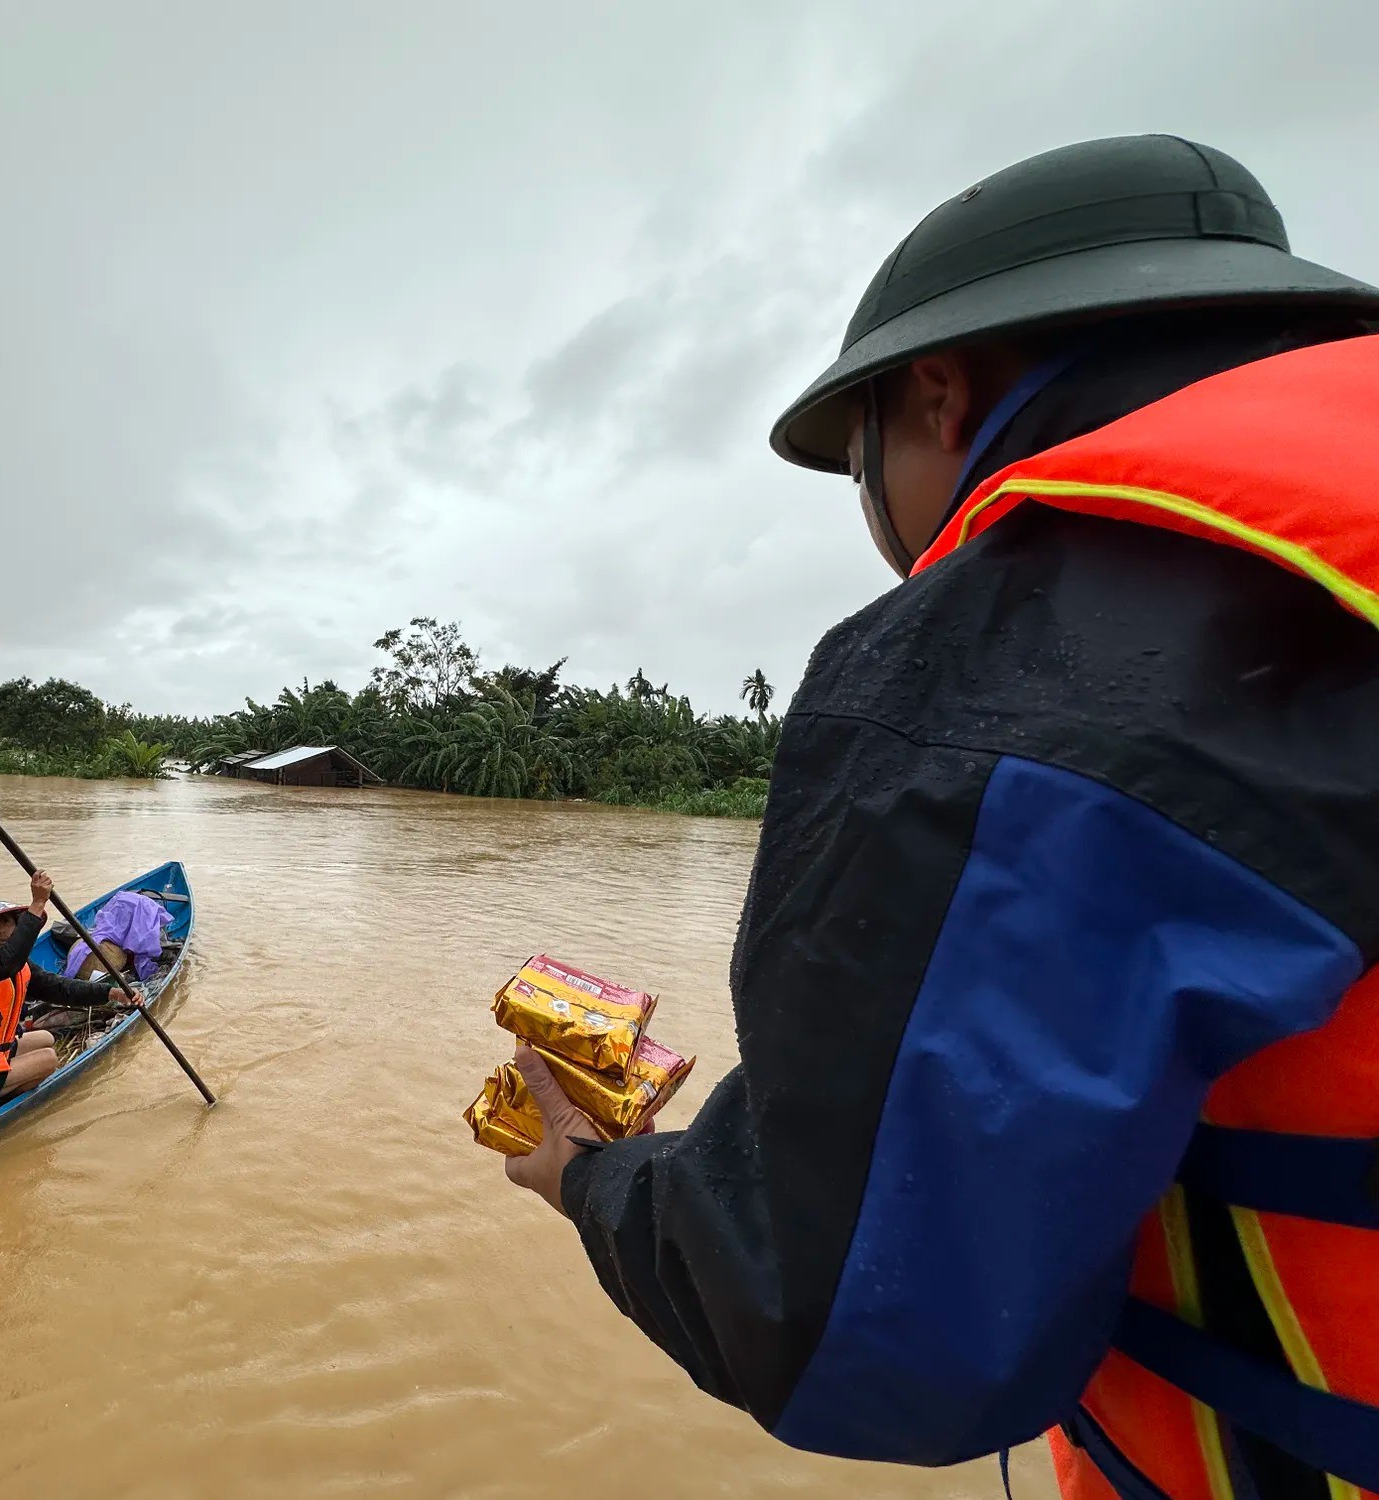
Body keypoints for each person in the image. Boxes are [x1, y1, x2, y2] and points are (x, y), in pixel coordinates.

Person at [499, 135, 1379, 1500]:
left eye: (858, 470)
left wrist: (589, 1180)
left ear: (937, 397)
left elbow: (854, 1314)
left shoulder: (1044, 624)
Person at [0, 870, 139, 1116]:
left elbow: (59, 988)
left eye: (7, 923)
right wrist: (38, 903)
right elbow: (5, 963)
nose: (1, 932)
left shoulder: (17, 965)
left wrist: (111, 993)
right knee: (48, 1059)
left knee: (45, 1038)